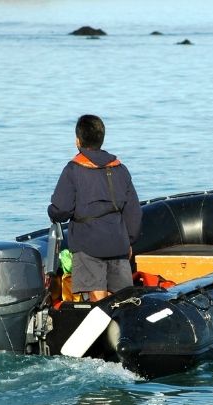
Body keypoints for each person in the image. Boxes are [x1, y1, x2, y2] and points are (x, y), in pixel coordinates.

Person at [48, 115, 142, 302]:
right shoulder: (120, 169)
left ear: (78, 141)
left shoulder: (73, 170)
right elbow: (134, 212)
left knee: (96, 299)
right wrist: (128, 240)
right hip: (118, 243)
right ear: (102, 138)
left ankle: (100, 329)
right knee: (123, 299)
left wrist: (52, 211)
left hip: (88, 245)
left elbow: (61, 209)